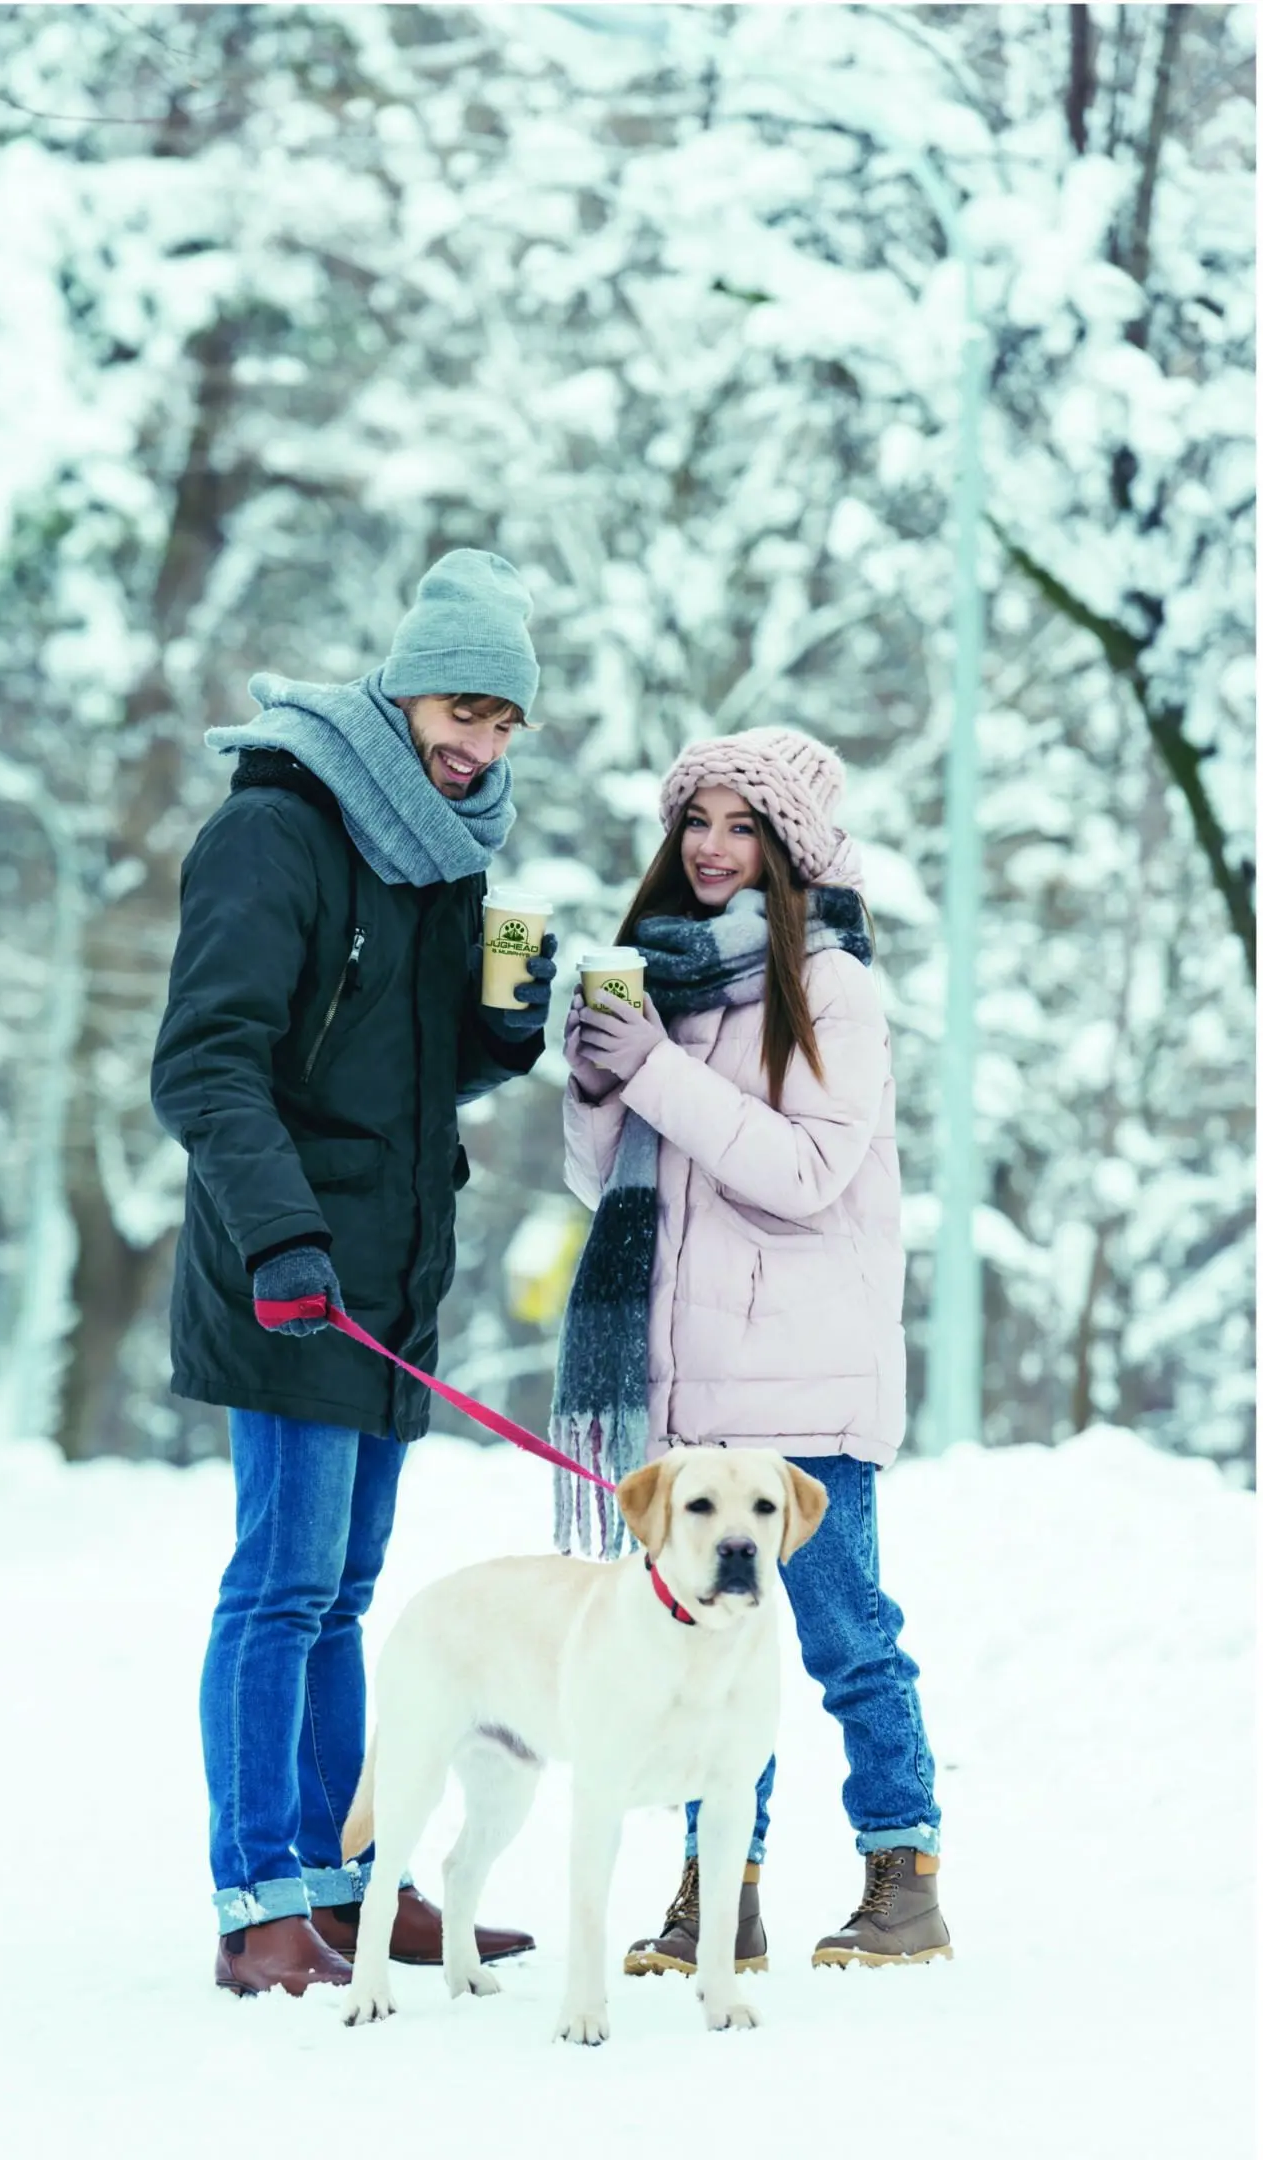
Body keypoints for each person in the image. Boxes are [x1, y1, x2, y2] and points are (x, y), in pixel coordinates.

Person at [151, 549, 554, 1998]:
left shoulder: (442, 845)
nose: (481, 745)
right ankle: (259, 1902)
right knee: (281, 1584)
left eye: (507, 724)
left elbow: (403, 1073)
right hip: (289, 1267)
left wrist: (501, 1028)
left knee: (343, 1589)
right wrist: (281, 1238)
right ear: (402, 685)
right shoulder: (280, 829)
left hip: (382, 1281)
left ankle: (341, 1887)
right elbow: (205, 1064)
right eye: (464, 709)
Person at [552, 727, 950, 1974]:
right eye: (698, 823)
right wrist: (597, 1079)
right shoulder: (668, 983)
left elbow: (801, 1174)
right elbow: (605, 1191)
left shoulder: (831, 987)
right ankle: (721, 1894)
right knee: (699, 1651)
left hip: (806, 1388)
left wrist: (658, 1072)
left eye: (745, 828)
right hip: (688, 1394)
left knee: (842, 1638)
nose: (714, 850)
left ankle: (904, 1876)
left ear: (793, 851)